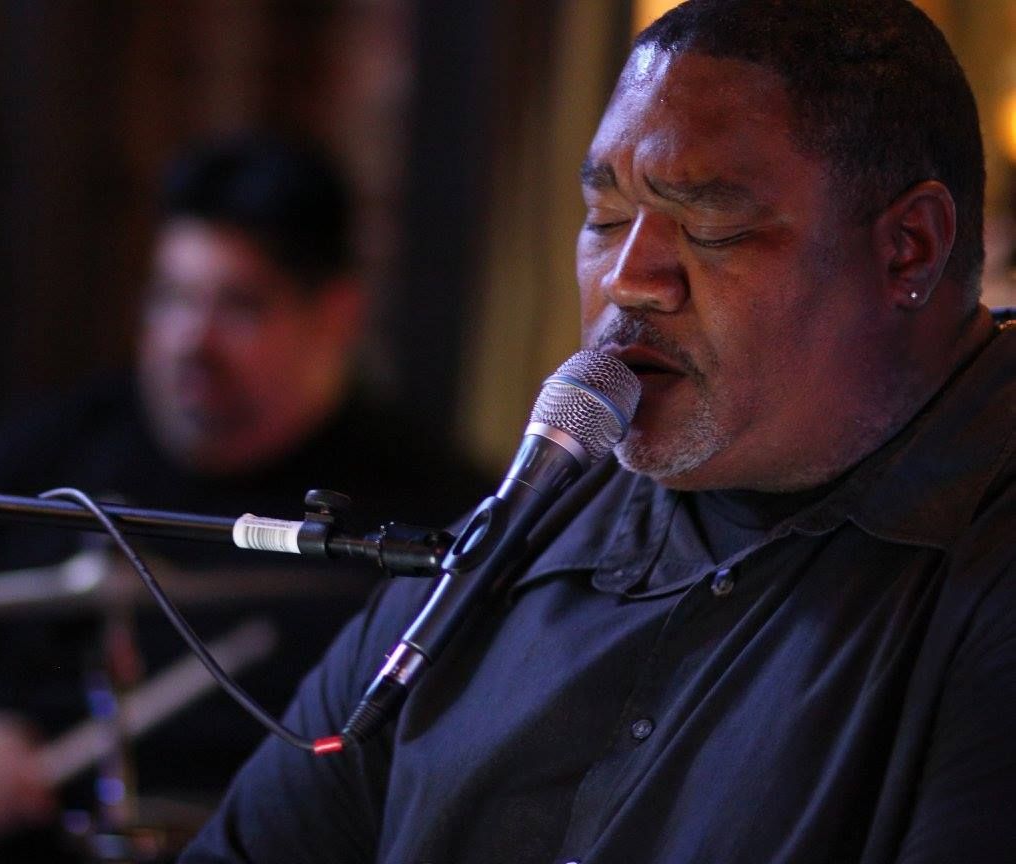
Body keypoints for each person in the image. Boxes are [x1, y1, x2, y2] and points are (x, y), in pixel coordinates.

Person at [177, 2, 1016, 862]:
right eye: (606, 219)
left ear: (908, 250)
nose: (627, 280)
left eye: (708, 224)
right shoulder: (524, 533)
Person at [0, 134, 492, 862]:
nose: (191, 339)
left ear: (337, 314)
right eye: (172, 297)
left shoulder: (431, 510)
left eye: (240, 306)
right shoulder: (54, 450)